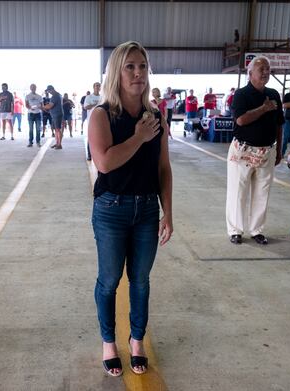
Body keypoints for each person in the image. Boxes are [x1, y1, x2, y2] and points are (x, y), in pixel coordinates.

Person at [88, 41, 172, 377]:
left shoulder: (156, 115)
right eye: (129, 67)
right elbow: (105, 163)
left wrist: (169, 212)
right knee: (109, 281)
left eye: (142, 66)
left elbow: (163, 168)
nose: (137, 73)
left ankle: (137, 340)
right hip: (112, 209)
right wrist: (138, 137)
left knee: (140, 280)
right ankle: (109, 342)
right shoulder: (102, 114)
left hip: (147, 210)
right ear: (116, 72)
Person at [227, 56, 284, 245]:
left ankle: (257, 230)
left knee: (262, 191)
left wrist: (280, 149)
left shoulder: (274, 94)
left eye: (268, 69)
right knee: (238, 191)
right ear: (250, 73)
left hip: (267, 151)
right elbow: (241, 120)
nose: (266, 72)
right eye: (261, 69)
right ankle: (235, 230)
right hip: (243, 151)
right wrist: (263, 108)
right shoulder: (241, 94)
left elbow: (279, 124)